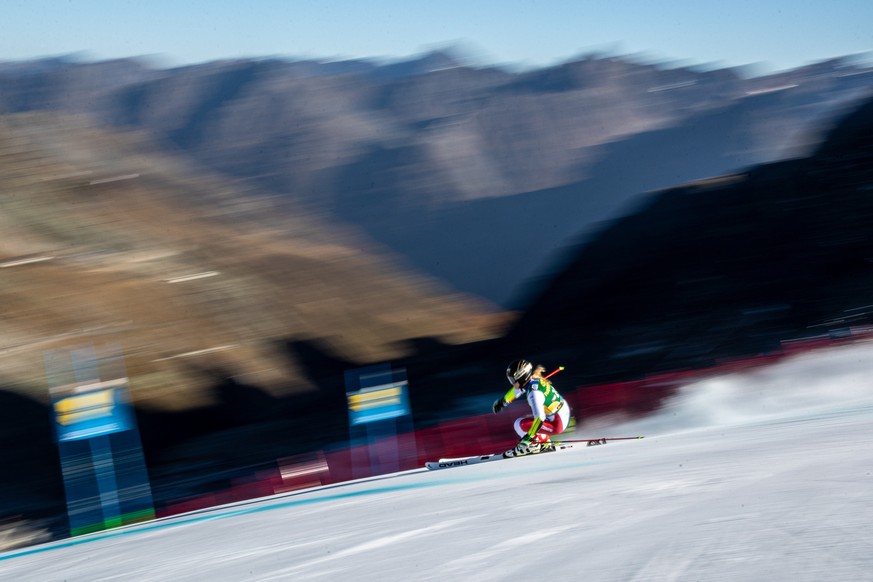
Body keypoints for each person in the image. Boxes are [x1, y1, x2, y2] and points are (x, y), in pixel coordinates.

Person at [492, 359, 571, 457]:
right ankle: (542, 441)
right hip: (560, 413)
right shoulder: (533, 381)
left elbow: (540, 418)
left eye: (513, 380)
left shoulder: (534, 394)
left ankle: (533, 446)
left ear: (521, 377)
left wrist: (528, 438)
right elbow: (516, 391)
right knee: (528, 420)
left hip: (557, 422)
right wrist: (503, 402)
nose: (512, 383)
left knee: (519, 424)